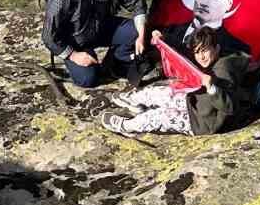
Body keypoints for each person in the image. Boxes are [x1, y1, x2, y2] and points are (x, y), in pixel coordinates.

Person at [99, 26, 250, 138]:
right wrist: (164, 38)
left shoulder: (224, 71)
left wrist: (212, 88)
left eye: (205, 50)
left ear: (217, 49)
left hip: (200, 122)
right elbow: (184, 53)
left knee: (159, 117)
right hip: (192, 101)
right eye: (197, 52)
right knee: (161, 92)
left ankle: (126, 126)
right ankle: (134, 101)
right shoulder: (206, 60)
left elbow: (230, 107)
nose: (201, 57)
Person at [41, 0, 147, 87]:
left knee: (135, 31)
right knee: (87, 79)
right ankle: (87, 64)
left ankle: (114, 65)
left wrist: (141, 35)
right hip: (74, 41)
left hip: (100, 26)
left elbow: (137, 3)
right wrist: (74, 56)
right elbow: (48, 36)